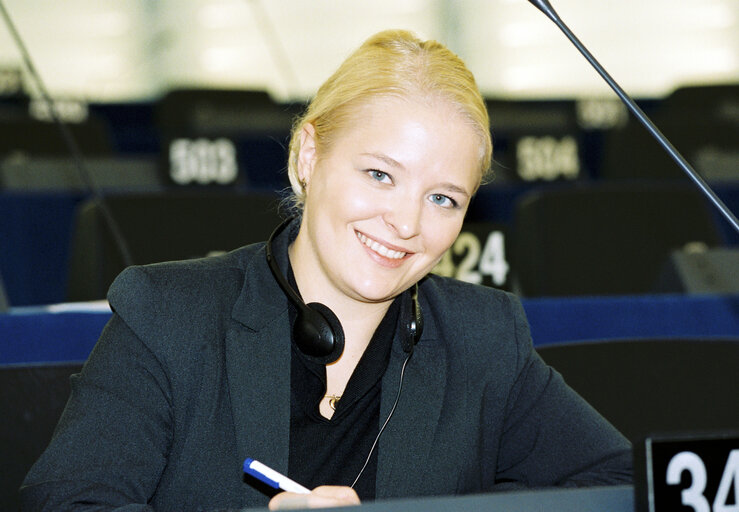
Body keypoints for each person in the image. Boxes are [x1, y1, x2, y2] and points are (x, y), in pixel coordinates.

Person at [20, 29, 632, 511]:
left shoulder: (484, 338)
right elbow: (68, 502)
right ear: (308, 155)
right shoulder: (170, 314)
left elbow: (621, 482)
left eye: (443, 198)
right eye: (380, 175)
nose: (406, 223)